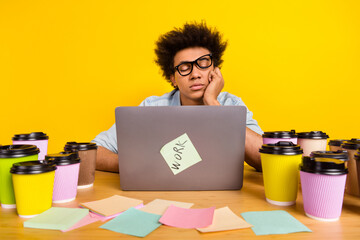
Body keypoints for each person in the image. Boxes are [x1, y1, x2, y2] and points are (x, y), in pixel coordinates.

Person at [92, 22, 264, 172]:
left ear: (215, 70)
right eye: (184, 68)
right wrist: (136, 167)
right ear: (173, 79)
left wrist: (213, 105)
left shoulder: (231, 105)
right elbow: (93, 151)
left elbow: (265, 160)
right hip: (164, 193)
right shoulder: (152, 108)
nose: (195, 74)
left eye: (203, 64)